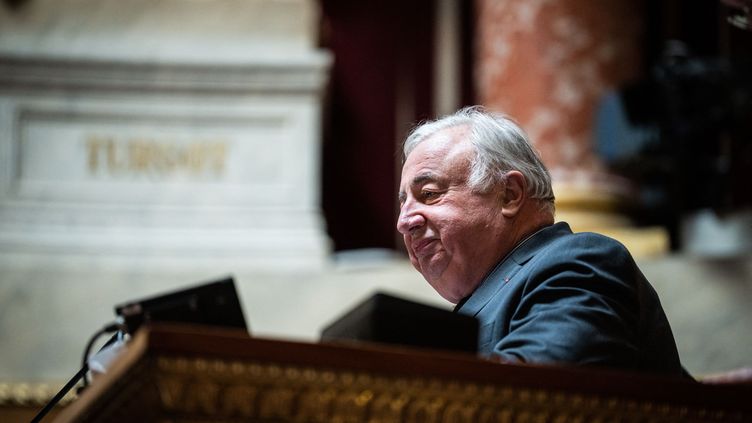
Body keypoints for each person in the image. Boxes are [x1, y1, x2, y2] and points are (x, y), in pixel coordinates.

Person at [397, 106, 686, 376]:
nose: (404, 222)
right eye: (403, 204)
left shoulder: (578, 262)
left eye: (430, 194)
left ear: (509, 194)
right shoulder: (485, 295)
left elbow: (532, 394)